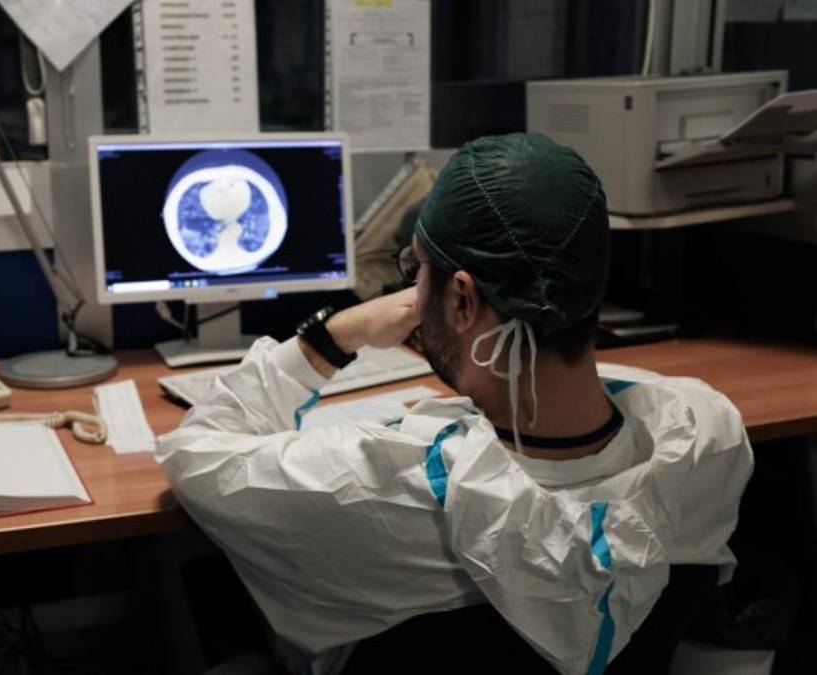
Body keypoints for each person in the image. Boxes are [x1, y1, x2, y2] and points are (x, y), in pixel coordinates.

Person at [155, 133, 754, 674]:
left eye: (417, 269)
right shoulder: (710, 439)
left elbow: (196, 451)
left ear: (462, 300)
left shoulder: (371, 480)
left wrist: (333, 336)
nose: (413, 288)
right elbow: (624, 386)